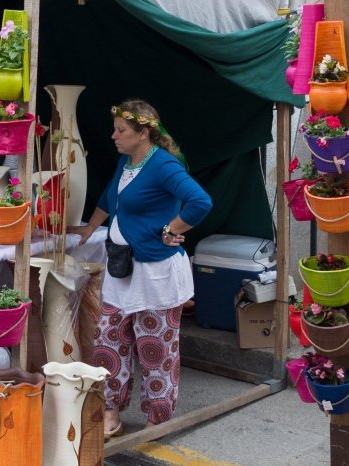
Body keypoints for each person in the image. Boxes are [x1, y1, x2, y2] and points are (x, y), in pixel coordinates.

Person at [81, 100, 212, 439]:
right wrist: (87, 229)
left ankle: (158, 417)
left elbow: (200, 202)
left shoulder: (164, 166)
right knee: (107, 343)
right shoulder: (127, 162)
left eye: (121, 131)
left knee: (156, 350)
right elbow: (111, 197)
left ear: (143, 133)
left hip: (155, 273)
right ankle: (111, 411)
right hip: (121, 269)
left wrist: (173, 229)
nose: (113, 136)